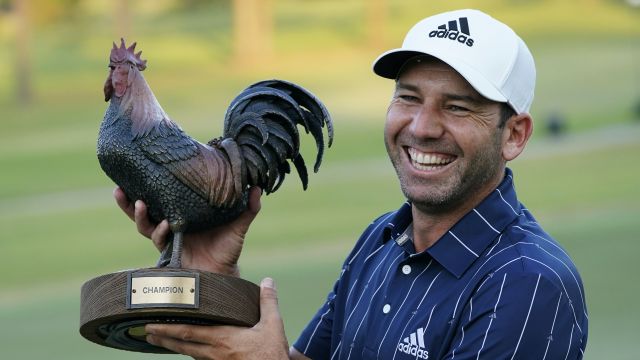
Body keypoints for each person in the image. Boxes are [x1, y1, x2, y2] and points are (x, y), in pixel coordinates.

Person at [115, 8, 588, 359]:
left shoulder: (528, 284)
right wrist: (218, 283)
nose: (422, 126)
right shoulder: (381, 241)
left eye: (457, 107)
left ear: (514, 135)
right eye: (408, 97)